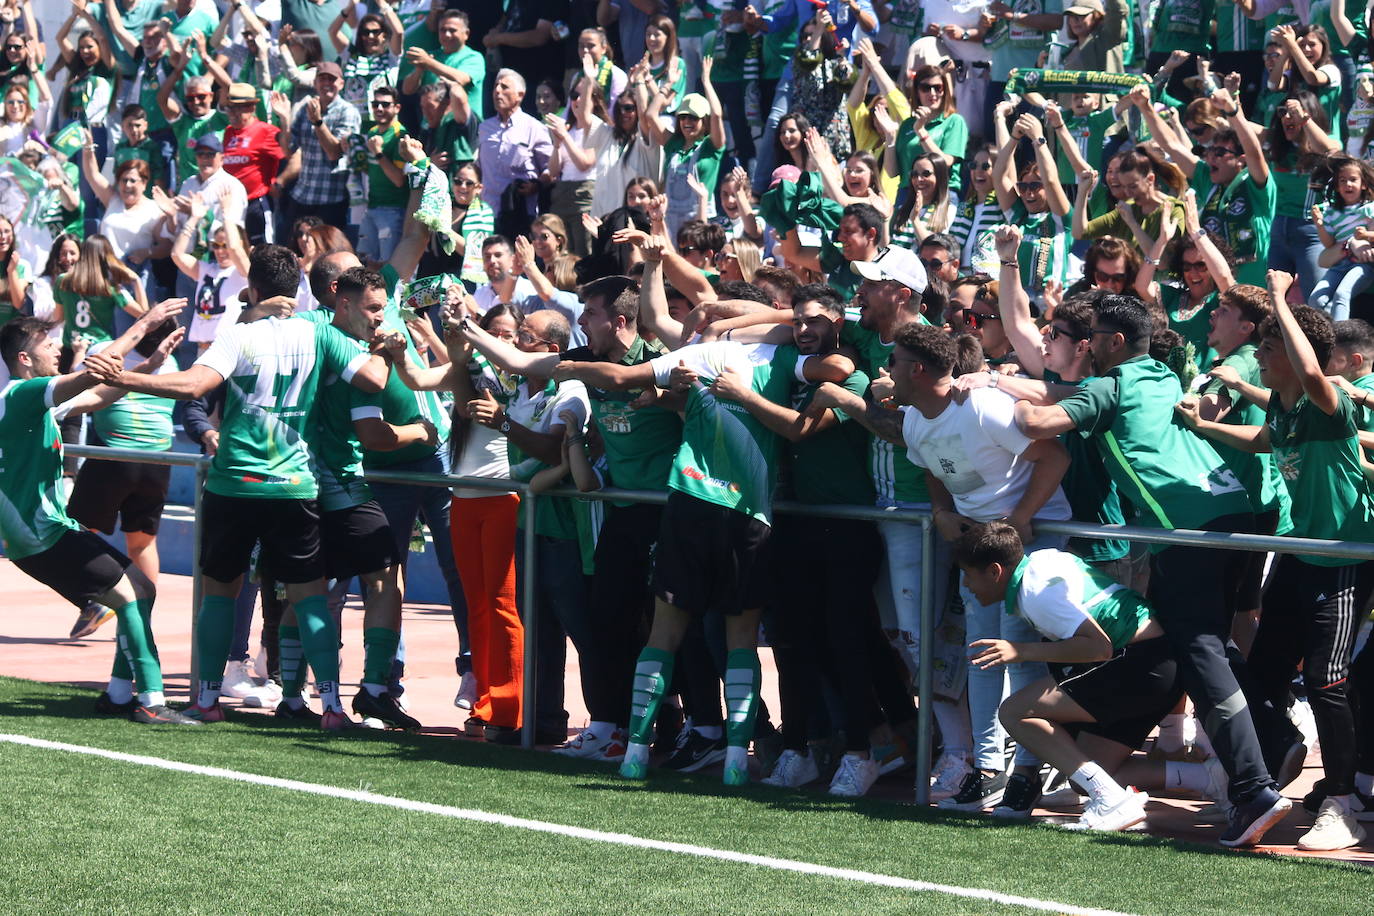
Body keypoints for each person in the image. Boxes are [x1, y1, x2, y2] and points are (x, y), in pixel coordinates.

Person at [1010, 294, 1292, 848]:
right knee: (1206, 648)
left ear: (1113, 343)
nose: (1085, 345)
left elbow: (1038, 421)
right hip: (1230, 514)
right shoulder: (1159, 373)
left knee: (1200, 655)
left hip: (1185, 532)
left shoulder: (1106, 388)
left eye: (1091, 337)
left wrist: (999, 389)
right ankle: (1273, 742)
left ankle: (1254, 789)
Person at [93, 245, 391, 730]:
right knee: (310, 599)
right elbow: (373, 379)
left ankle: (207, 700)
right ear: (298, 289)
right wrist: (387, 349)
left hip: (234, 484)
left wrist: (124, 377)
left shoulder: (239, 336)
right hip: (295, 485)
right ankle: (333, 708)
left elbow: (192, 387)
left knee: (219, 594)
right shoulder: (319, 331)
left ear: (252, 289)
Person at [811, 322, 1073, 814]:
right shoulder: (914, 419)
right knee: (981, 653)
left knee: (1021, 655)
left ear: (918, 369)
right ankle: (988, 766)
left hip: (1029, 540)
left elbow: (1053, 457)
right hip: (980, 543)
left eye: (894, 364)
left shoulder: (985, 409)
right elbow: (932, 468)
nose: (885, 372)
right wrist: (942, 512)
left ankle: (1027, 769)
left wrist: (1018, 520)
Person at [1177, 271, 1374, 851]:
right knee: (1262, 672)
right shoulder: (1287, 411)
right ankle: (1284, 763)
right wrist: (1206, 425)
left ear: (1293, 353)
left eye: (1266, 348)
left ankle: (1342, 802)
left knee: (1326, 678)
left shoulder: (1325, 401)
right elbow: (1264, 441)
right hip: (1301, 552)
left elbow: (1313, 369)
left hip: (1344, 555)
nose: (1260, 357)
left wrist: (1285, 299)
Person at [0, 300, 194, 725]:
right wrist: (144, 324)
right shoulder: (22, 393)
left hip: (49, 532)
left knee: (142, 588)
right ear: (23, 358)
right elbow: (95, 371)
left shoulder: (35, 402)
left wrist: (151, 363)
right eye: (47, 344)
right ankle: (151, 700)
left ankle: (121, 695)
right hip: (41, 538)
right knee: (130, 596)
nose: (56, 350)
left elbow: (99, 393)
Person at [954, 521, 1176, 832]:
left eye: (967, 573)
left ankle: (1111, 800)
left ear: (994, 572)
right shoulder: (1043, 561)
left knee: (1014, 711)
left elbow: (1098, 648)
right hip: (1156, 663)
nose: (965, 584)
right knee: (1084, 776)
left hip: (1141, 663)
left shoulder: (1036, 593)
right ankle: (1209, 779)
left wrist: (1020, 651)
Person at [280, 62, 361, 232]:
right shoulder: (305, 109)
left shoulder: (348, 111)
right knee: (292, 252)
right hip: (302, 195)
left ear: (341, 83)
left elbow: (334, 153)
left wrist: (318, 122)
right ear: (315, 84)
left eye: (331, 79)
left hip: (330, 199)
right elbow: (289, 150)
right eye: (322, 79)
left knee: (326, 255)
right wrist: (284, 119)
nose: (326, 84)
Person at [477, 69, 552, 240]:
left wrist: (537, 185)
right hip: (487, 213)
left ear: (520, 95)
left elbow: (551, 170)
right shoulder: (484, 128)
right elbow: (479, 167)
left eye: (504, 87)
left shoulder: (534, 128)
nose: (497, 91)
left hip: (522, 214)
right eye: (496, 86)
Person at [221, 82, 289, 246]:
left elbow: (288, 154)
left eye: (238, 108)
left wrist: (286, 119)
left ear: (251, 108)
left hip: (256, 203)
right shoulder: (229, 132)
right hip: (231, 205)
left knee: (263, 251)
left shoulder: (266, 131)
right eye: (230, 107)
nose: (232, 112)